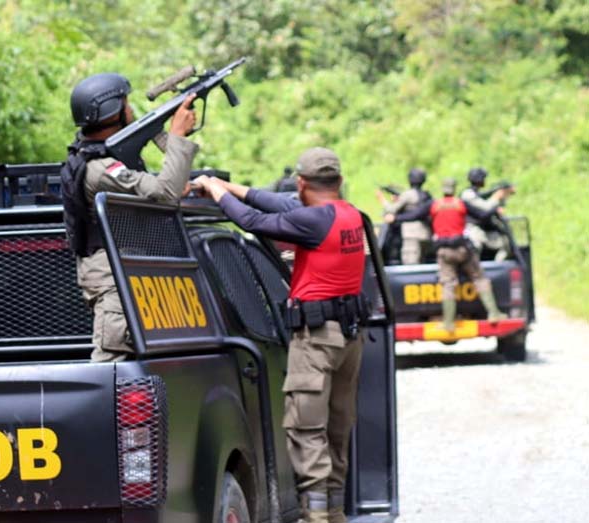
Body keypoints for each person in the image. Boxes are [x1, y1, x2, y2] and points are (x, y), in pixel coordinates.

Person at [194, 147, 369, 523]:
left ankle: (317, 519)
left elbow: (254, 220)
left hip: (317, 339)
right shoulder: (348, 214)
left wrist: (216, 192)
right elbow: (276, 203)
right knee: (337, 431)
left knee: (307, 432)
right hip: (349, 338)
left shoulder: (312, 222)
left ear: (301, 184)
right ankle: (334, 513)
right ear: (338, 182)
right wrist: (227, 185)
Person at [61, 72, 199, 362]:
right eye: (126, 103)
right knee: (112, 365)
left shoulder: (100, 153)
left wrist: (159, 133)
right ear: (114, 112)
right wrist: (176, 137)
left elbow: (162, 187)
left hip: (123, 268)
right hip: (113, 278)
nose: (131, 108)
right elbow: (166, 192)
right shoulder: (99, 167)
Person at [387, 178, 508, 331]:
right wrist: (495, 206)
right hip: (462, 249)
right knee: (479, 278)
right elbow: (482, 215)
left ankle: (449, 323)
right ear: (454, 188)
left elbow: (414, 215)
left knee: (448, 285)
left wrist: (395, 218)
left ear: (443, 189)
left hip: (444, 251)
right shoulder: (460, 203)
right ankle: (493, 313)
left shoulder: (434, 205)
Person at [375, 167, 432, 264]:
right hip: (425, 234)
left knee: (411, 265)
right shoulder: (426, 195)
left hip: (411, 235)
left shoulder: (408, 195)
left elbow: (391, 209)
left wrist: (382, 199)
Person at [460, 167, 513, 261]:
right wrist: (497, 197)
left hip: (481, 230)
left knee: (506, 244)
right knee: (475, 250)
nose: (485, 181)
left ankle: (497, 267)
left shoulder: (474, 194)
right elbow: (485, 210)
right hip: (472, 230)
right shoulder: (468, 194)